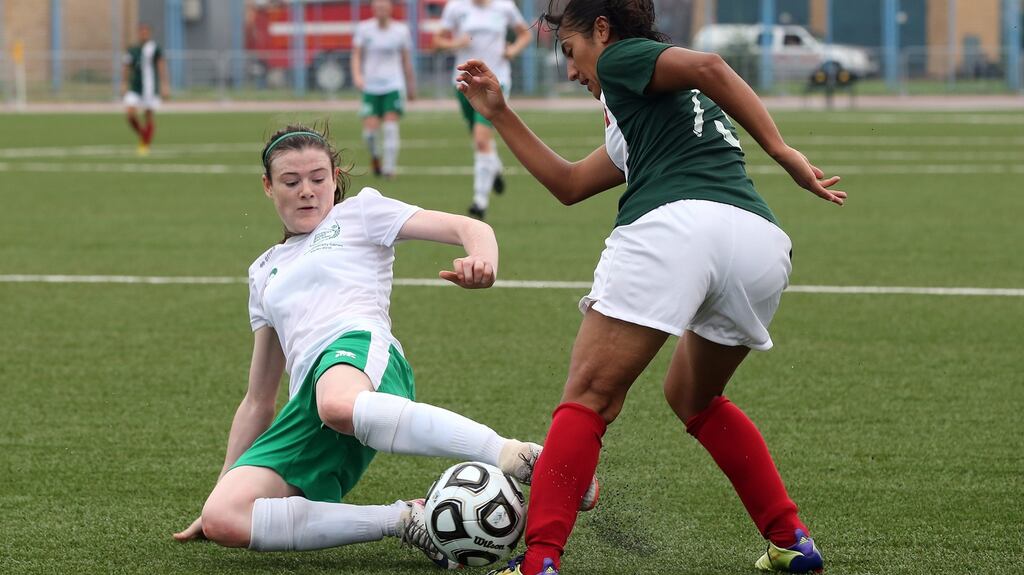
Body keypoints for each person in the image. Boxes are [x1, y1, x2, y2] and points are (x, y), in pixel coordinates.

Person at [456, 1, 847, 573]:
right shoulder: (644, 110)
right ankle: (791, 541)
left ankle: (539, 563)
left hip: (677, 228)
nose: (571, 70)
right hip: (758, 242)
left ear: (604, 31)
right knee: (693, 397)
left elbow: (711, 65)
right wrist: (500, 113)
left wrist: (784, 152)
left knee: (589, 398)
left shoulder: (620, 61)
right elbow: (568, 184)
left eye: (570, 51)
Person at [171, 125, 596, 565]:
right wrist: (221, 486)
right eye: (291, 181)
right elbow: (258, 400)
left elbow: (469, 226)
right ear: (268, 186)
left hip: (360, 354)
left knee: (335, 402)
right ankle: (404, 520)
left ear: (335, 178)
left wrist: (483, 260)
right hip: (310, 405)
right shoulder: (263, 271)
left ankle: (514, 455)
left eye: (318, 178)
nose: (307, 191)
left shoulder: (359, 213)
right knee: (224, 517)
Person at [435, 0, 532, 220]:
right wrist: (454, 44)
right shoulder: (456, 7)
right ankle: (495, 167)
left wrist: (513, 49)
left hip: (495, 81)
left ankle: (479, 202)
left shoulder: (504, 6)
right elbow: (437, 41)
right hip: (464, 82)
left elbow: (524, 34)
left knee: (481, 139)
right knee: (480, 138)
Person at [351, 0, 416, 179]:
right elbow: (356, 55)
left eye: (384, 7)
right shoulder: (364, 29)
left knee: (389, 127)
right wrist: (357, 75)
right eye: (377, 7)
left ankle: (389, 169)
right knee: (369, 134)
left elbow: (406, 60)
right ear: (373, 9)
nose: (381, 10)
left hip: (393, 85)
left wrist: (411, 86)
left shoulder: (401, 30)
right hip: (370, 87)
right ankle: (375, 158)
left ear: (390, 8)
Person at [122, 24, 169, 156]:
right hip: (136, 87)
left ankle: (144, 144)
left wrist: (165, 85)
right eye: (141, 31)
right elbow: (126, 67)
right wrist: (124, 83)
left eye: (146, 32)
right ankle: (143, 135)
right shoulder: (132, 50)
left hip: (150, 88)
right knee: (130, 113)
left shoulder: (154, 49)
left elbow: (161, 66)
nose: (143, 34)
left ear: (149, 33)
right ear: (138, 33)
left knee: (148, 116)